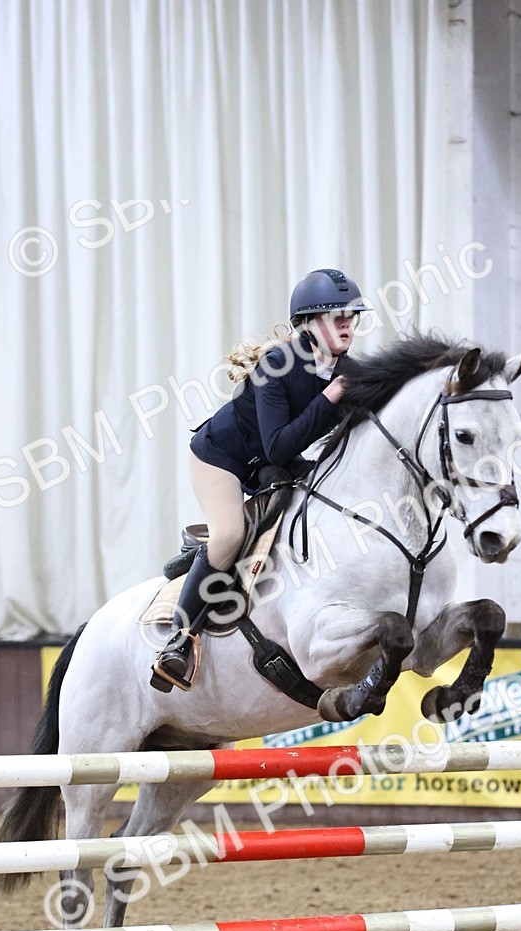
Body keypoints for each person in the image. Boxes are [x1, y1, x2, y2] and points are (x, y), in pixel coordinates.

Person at [150, 267, 370, 692]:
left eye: (352, 315)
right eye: (335, 315)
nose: (346, 324)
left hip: (272, 463)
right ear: (307, 324)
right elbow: (277, 445)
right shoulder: (277, 363)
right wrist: (330, 398)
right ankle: (179, 641)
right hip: (222, 459)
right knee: (230, 534)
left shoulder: (350, 371)